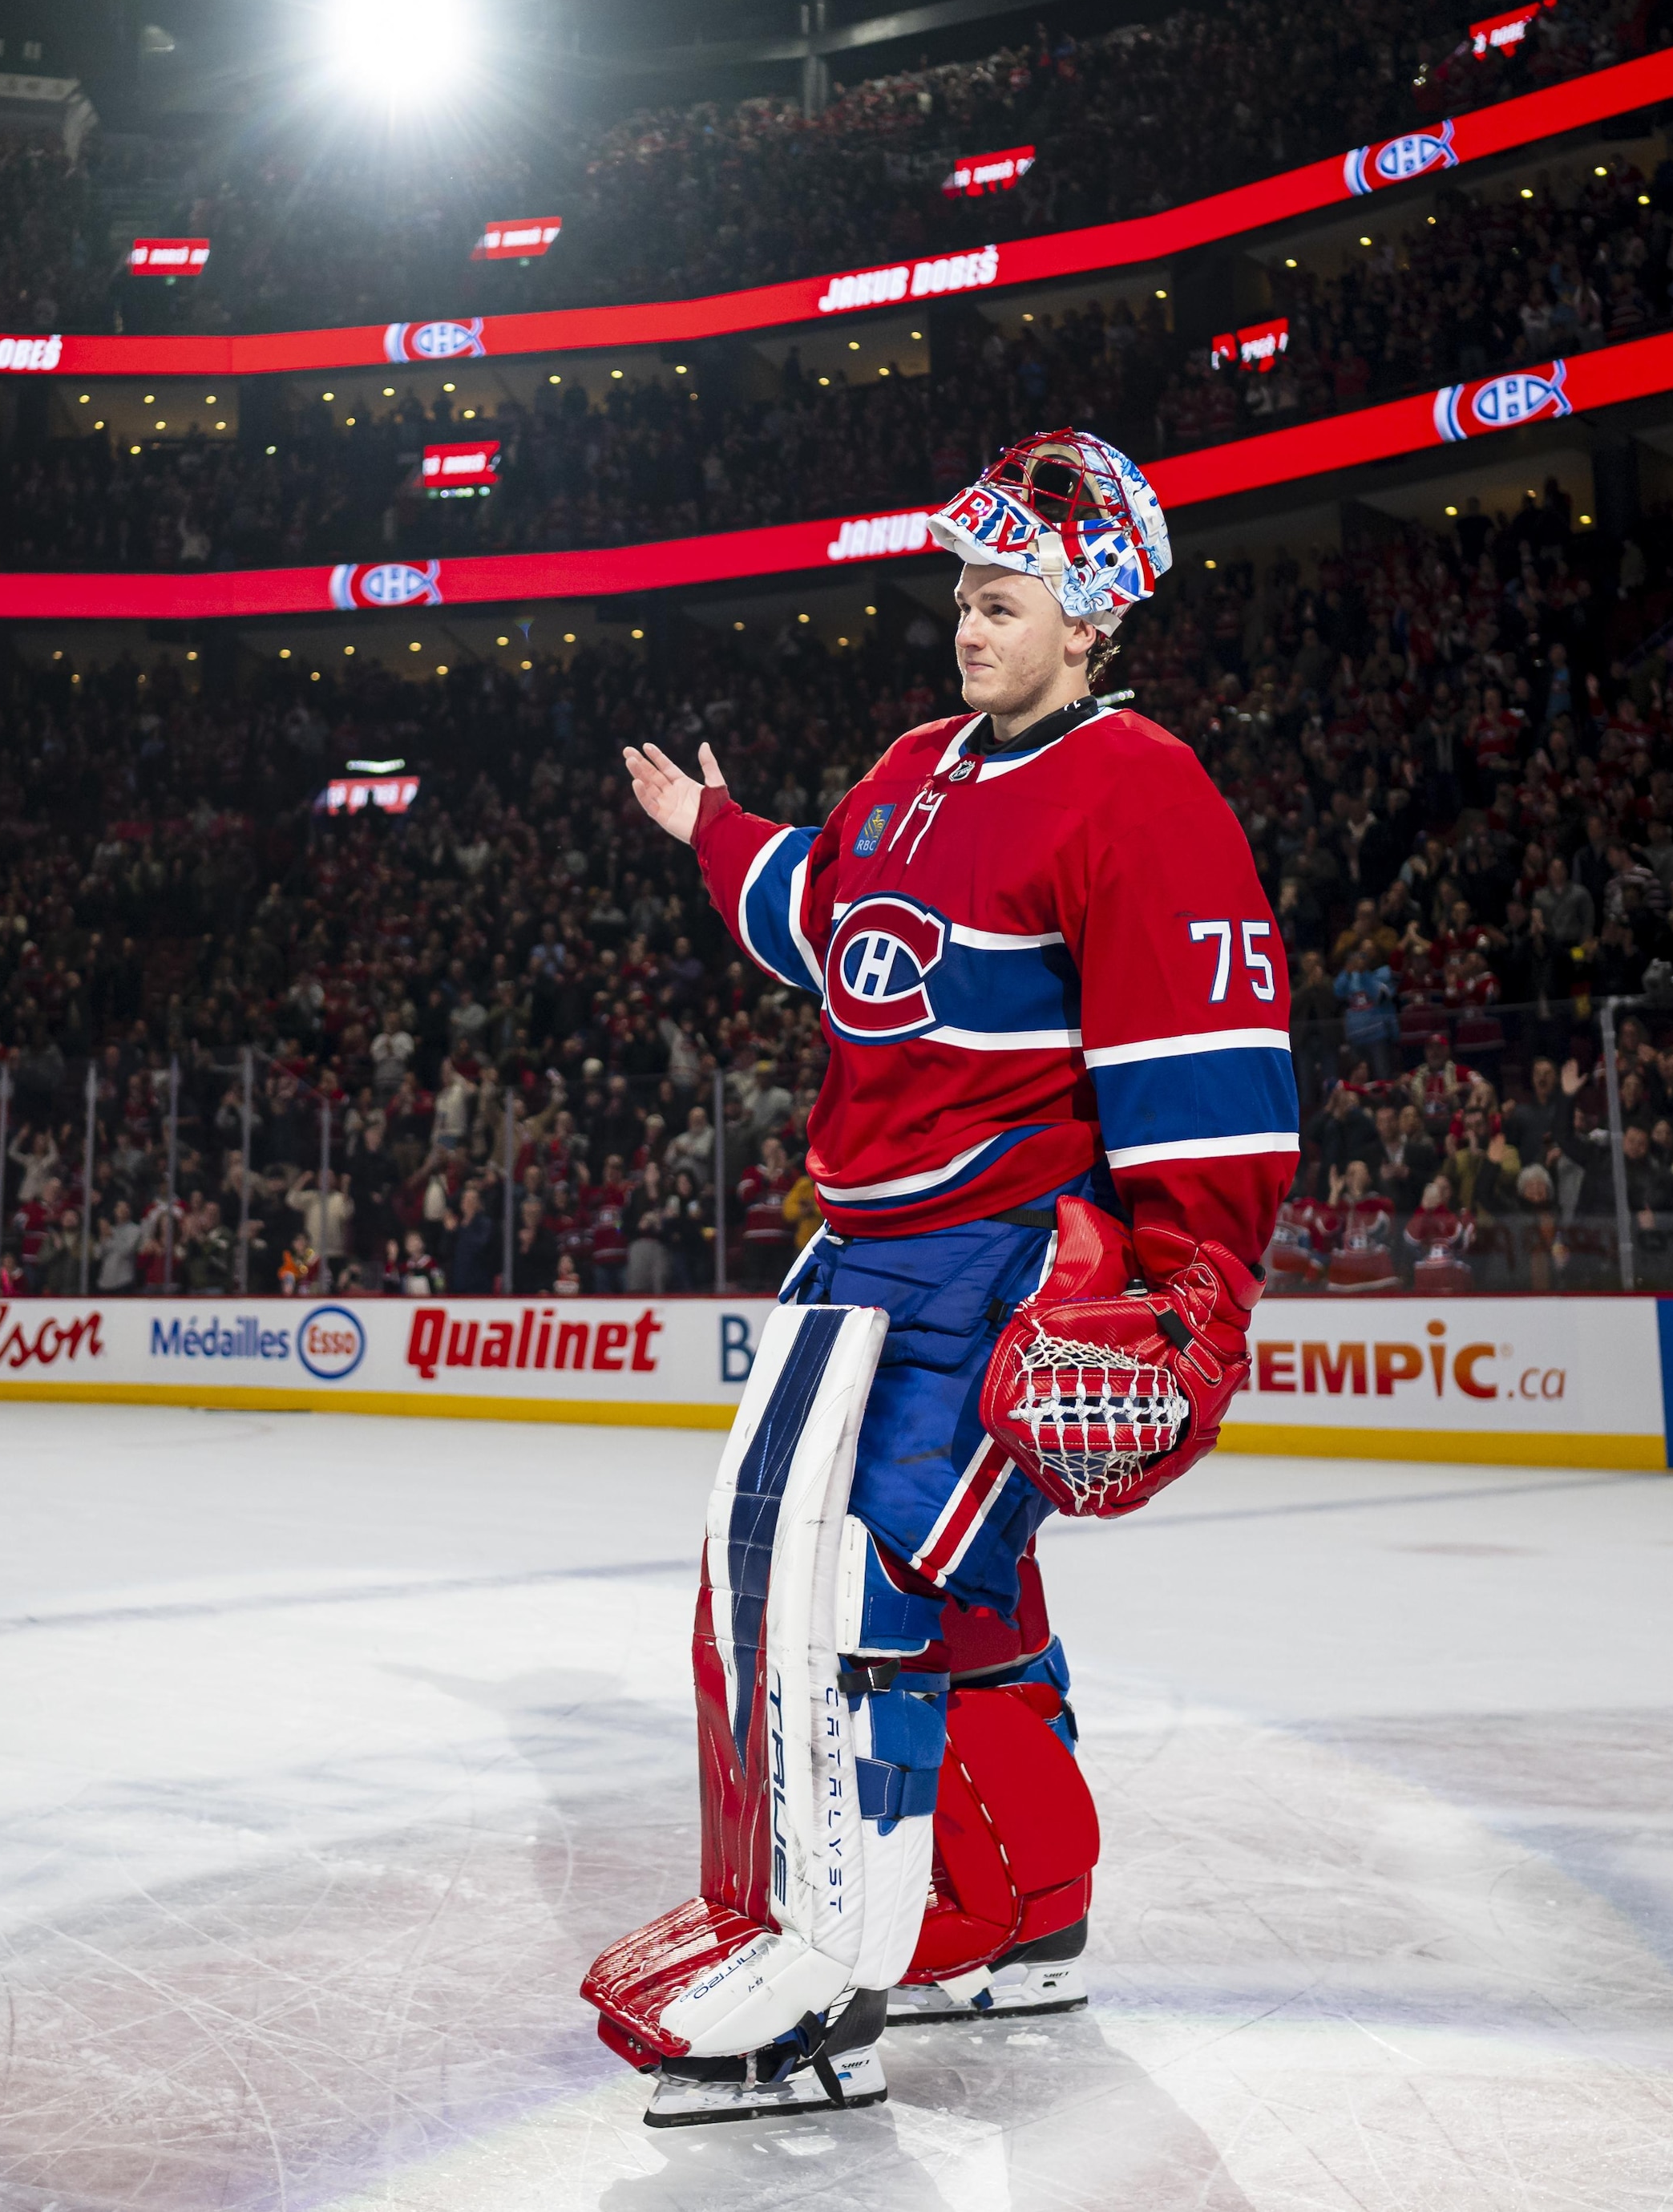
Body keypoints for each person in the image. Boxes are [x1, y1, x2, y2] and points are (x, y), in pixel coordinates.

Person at [588, 432, 1283, 2123]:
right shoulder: (916, 763)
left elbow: (1210, 1075)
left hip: (998, 1259)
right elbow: (835, 924)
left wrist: (1191, 1303)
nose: (968, 624)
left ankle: (821, 1982)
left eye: (1004, 600)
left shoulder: (1144, 792)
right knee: (926, 1591)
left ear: (1089, 618)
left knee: (854, 1590)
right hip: (853, 1259)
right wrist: (710, 829)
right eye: (964, 596)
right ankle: (1022, 1907)